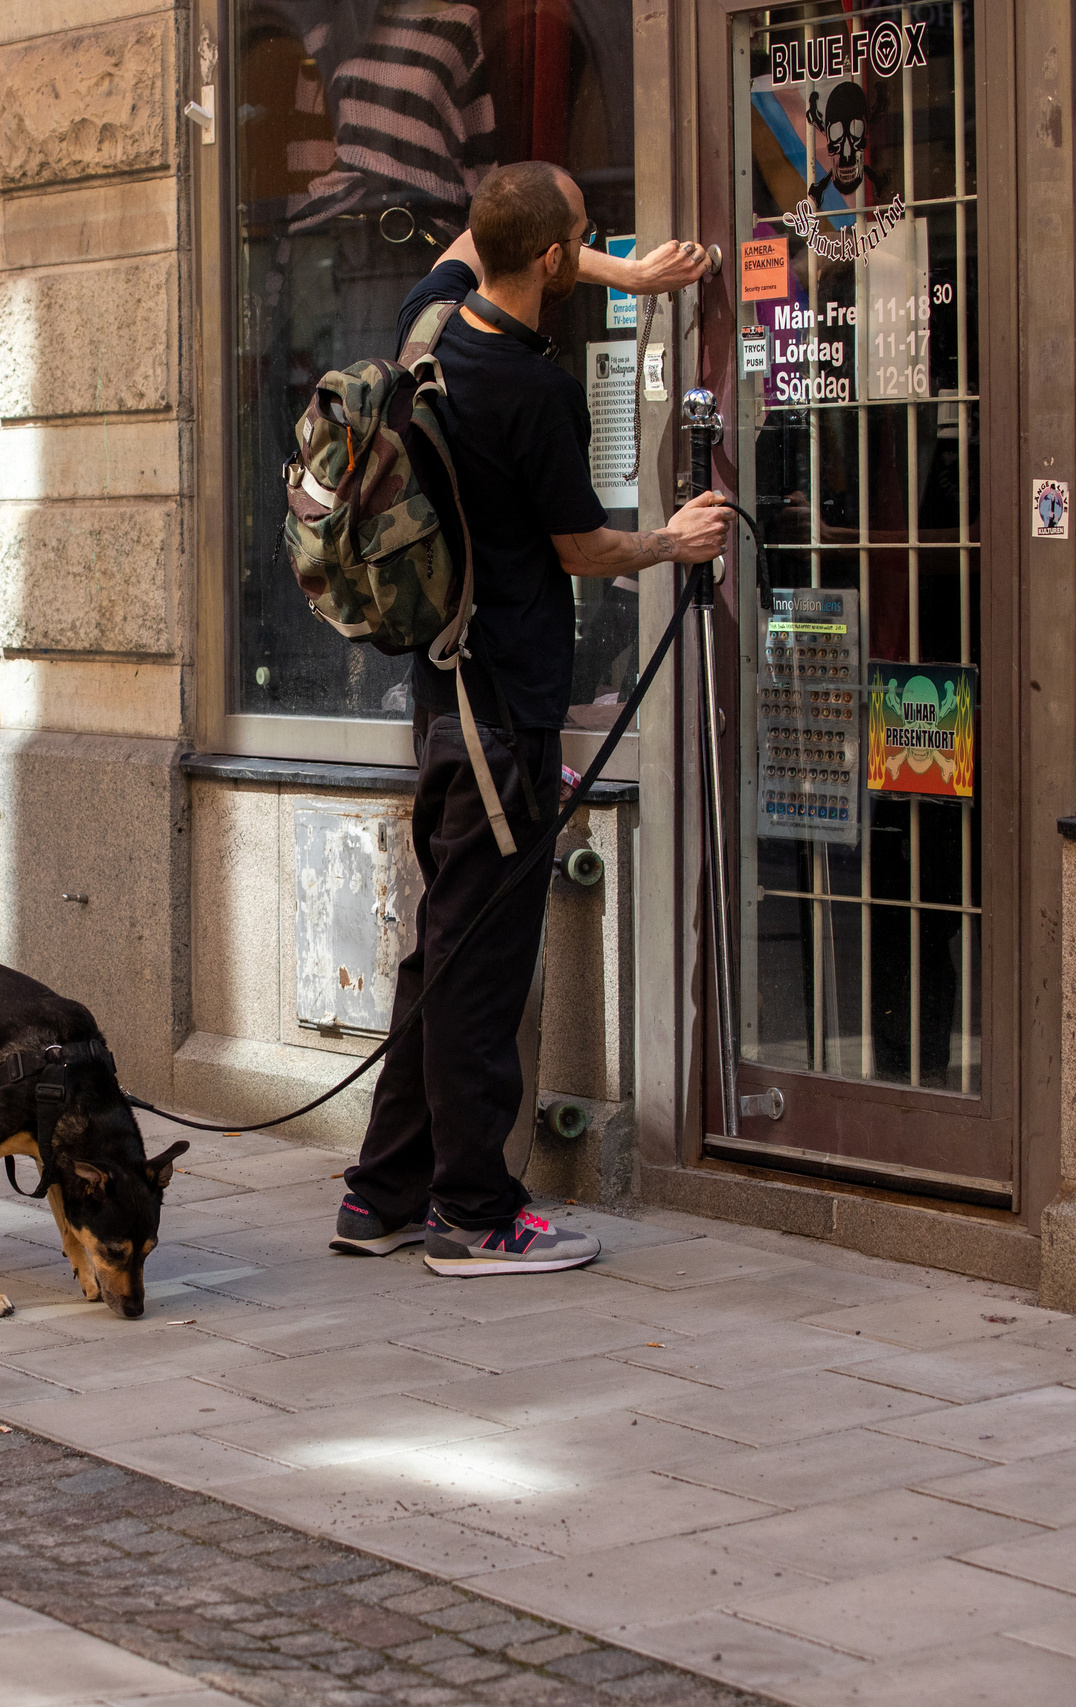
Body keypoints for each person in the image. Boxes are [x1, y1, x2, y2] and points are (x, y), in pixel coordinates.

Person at [330, 161, 732, 1276]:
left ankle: (379, 1195)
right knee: (481, 968)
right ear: (553, 260)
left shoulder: (426, 336)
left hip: (441, 703)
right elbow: (579, 549)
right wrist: (673, 539)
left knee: (442, 954)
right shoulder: (537, 392)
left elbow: (477, 242)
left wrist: (624, 267)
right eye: (582, 242)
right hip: (504, 708)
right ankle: (473, 1212)